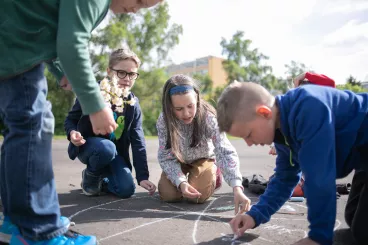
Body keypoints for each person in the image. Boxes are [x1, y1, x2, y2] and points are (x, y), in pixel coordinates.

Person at [0, 1, 162, 244]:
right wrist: (95, 106)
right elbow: (70, 43)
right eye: (140, 0)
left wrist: (59, 70)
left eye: (146, 6)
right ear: (110, 71)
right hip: (14, 47)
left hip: (15, 45)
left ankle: (17, 221)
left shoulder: (133, 103)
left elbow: (47, 28)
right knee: (33, 126)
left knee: (23, 126)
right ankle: (39, 231)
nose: (137, 9)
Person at [216, 81, 368, 245]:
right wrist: (254, 215)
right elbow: (285, 179)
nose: (249, 143)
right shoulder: (282, 133)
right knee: (353, 217)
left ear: (264, 113)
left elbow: (320, 180)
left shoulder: (308, 109)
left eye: (249, 134)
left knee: (362, 231)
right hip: (363, 162)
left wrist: (318, 237)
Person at [64, 48, 156, 198]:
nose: (127, 78)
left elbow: (138, 140)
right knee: (106, 148)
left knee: (126, 190)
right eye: (121, 73)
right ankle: (90, 176)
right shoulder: (92, 93)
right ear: (109, 71)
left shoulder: (132, 103)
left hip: (116, 154)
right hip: (90, 148)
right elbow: (71, 120)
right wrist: (73, 133)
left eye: (132, 74)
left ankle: (103, 179)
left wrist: (142, 176)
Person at [156, 74, 251, 213]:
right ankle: (183, 180)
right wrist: (181, 182)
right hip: (178, 160)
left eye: (190, 106)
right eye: (179, 109)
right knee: (168, 195)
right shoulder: (164, 121)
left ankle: (214, 173)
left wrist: (237, 187)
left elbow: (224, 150)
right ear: (169, 106)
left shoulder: (208, 117)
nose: (187, 113)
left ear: (197, 99)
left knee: (198, 196)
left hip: (203, 158)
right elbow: (165, 155)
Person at [269, 72, 336, 156]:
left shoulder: (321, 104)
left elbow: (330, 83)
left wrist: (306, 74)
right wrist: (276, 145)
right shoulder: (293, 109)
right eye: (298, 93)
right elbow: (283, 127)